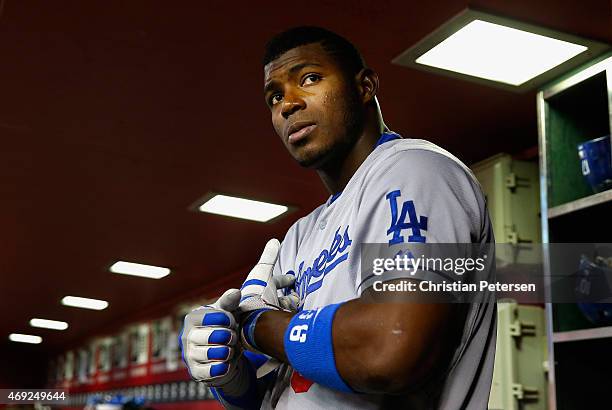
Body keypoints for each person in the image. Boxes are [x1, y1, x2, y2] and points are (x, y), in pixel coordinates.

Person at [179, 26, 496, 409]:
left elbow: (388, 349)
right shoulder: (300, 235)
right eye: (274, 96)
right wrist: (232, 375)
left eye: (309, 79)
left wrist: (256, 326)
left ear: (365, 87)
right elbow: (290, 391)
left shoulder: (415, 172)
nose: (287, 104)